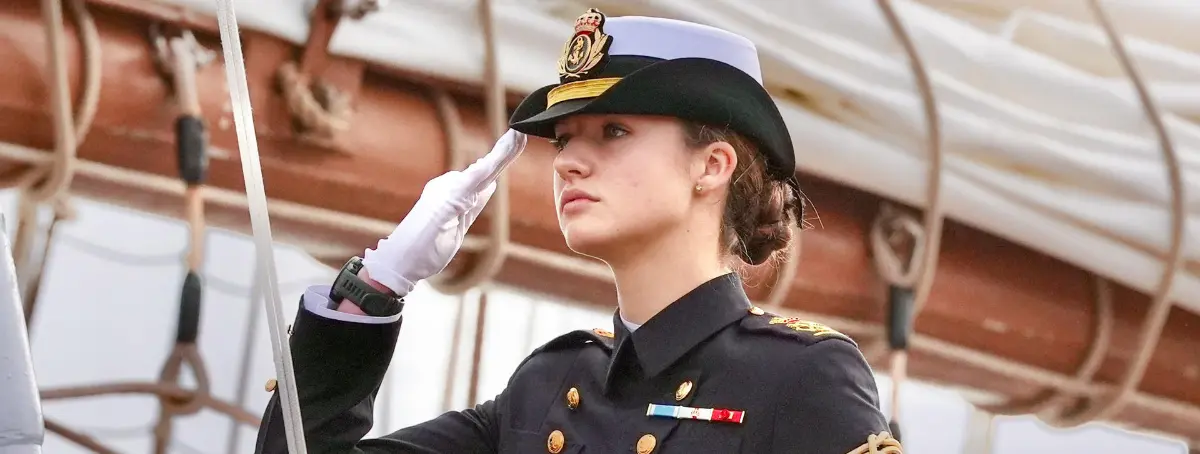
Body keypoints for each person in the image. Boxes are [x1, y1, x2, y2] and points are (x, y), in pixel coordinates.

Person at [256, 8, 901, 454]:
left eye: (613, 131)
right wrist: (376, 283)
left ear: (711, 166)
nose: (567, 162)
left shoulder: (801, 377)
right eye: (564, 140)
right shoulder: (548, 388)